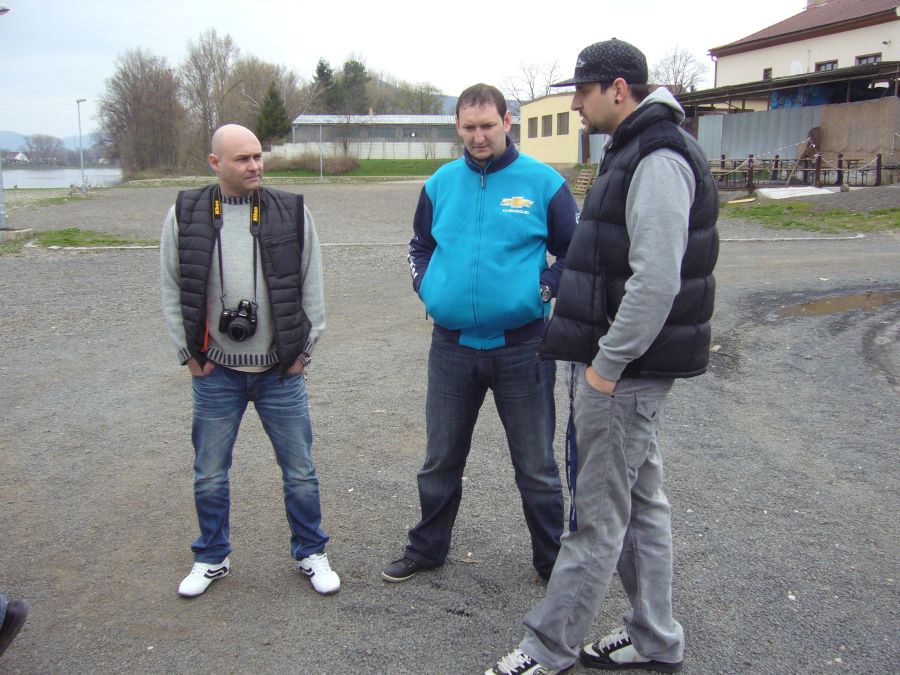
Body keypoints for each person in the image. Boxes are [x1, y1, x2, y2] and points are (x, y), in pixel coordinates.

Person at [488, 39, 719, 674]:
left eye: (583, 92)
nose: (575, 105)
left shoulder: (658, 157)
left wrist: (606, 366)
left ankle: (548, 648)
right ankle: (654, 636)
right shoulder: (634, 147)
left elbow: (656, 281)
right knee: (640, 505)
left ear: (619, 88)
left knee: (596, 515)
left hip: (625, 373)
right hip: (628, 370)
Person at [382, 83, 579, 584]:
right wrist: (427, 286)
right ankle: (427, 548)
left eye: (487, 126)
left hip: (524, 348)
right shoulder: (440, 184)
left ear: (507, 121)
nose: (478, 137)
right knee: (440, 460)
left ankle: (552, 562)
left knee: (536, 466)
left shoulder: (543, 183)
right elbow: (420, 244)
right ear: (457, 127)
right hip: (451, 348)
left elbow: (575, 251)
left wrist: (544, 287)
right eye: (468, 128)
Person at [160, 124, 339, 598]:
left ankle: (311, 551)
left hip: (280, 372)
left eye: (258, 156)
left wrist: (304, 352)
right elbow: (172, 286)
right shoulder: (185, 212)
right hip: (215, 371)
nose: (255, 165)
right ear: (215, 163)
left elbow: (312, 284)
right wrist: (188, 354)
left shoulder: (292, 211)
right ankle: (211, 556)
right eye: (242, 158)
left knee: (300, 471)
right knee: (209, 473)